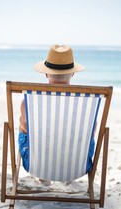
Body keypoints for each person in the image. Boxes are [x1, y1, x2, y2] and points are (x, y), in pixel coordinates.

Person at [18, 44, 95, 174]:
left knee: (22, 125)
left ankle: (44, 175)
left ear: (46, 74)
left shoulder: (29, 102)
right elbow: (92, 132)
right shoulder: (84, 104)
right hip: (77, 167)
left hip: (35, 165)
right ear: (73, 73)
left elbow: (25, 130)